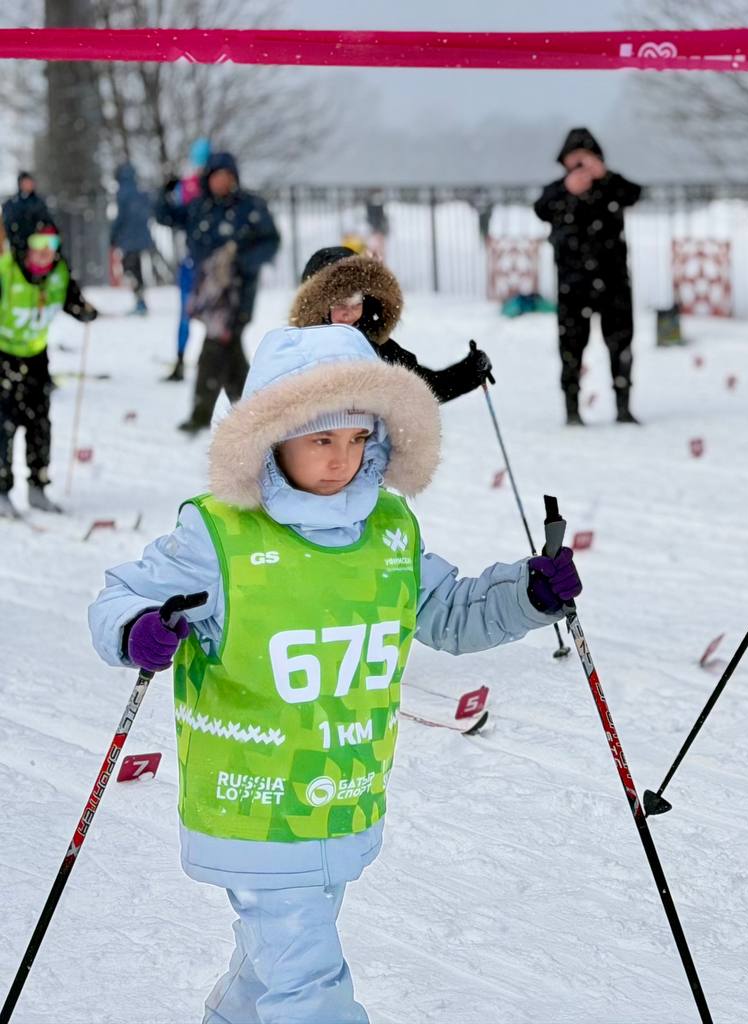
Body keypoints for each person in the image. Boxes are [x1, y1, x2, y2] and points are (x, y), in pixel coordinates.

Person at [87, 321, 583, 1021]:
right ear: (271, 433)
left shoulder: (388, 529)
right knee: (310, 990)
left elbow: (445, 610)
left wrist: (526, 596)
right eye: (322, 439)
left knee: (270, 979)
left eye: (357, 439)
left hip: (340, 794)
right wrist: (139, 628)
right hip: (253, 801)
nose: (341, 460)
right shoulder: (221, 531)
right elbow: (121, 595)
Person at [155, 150, 279, 434]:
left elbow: (270, 242)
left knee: (218, 347)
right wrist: (165, 191)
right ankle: (252, 414)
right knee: (225, 350)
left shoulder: (249, 207)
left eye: (227, 177)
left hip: (238, 294)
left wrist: (239, 261)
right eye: (216, 177)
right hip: (209, 295)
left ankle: (222, 413)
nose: (221, 183)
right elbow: (166, 216)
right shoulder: (200, 208)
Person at [534, 127, 642, 426]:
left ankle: (623, 405)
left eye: (588, 157)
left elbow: (634, 193)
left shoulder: (612, 187)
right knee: (571, 347)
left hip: (614, 280)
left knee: (620, 344)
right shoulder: (558, 191)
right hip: (573, 282)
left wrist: (604, 176)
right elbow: (541, 208)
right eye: (575, 157)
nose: (581, 164)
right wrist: (568, 190)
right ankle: (572, 409)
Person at [290, 246, 492, 403]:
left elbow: (421, 388)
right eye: (340, 305)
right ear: (318, 308)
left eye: (356, 304)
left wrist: (468, 372)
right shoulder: (297, 355)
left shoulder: (374, 348)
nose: (349, 314)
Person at [0, 208, 97, 520]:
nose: (45, 254)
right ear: (23, 245)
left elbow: (72, 301)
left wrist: (83, 310)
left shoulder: (58, 272)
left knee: (39, 422)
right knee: (4, 425)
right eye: (39, 245)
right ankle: (2, 490)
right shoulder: (5, 271)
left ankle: (38, 486)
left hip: (36, 357)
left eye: (52, 246)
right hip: (3, 356)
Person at [162, 138, 212, 382]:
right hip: (193, 262)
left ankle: (214, 366)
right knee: (185, 315)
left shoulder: (211, 190)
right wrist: (166, 194)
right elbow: (169, 216)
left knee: (217, 318)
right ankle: (182, 360)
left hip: (210, 266)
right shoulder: (189, 186)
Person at [110, 163, 154, 316]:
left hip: (129, 239)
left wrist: (113, 235)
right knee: (138, 270)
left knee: (130, 270)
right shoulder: (140, 191)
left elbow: (121, 217)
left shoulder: (123, 192)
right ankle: (140, 300)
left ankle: (140, 302)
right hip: (142, 237)